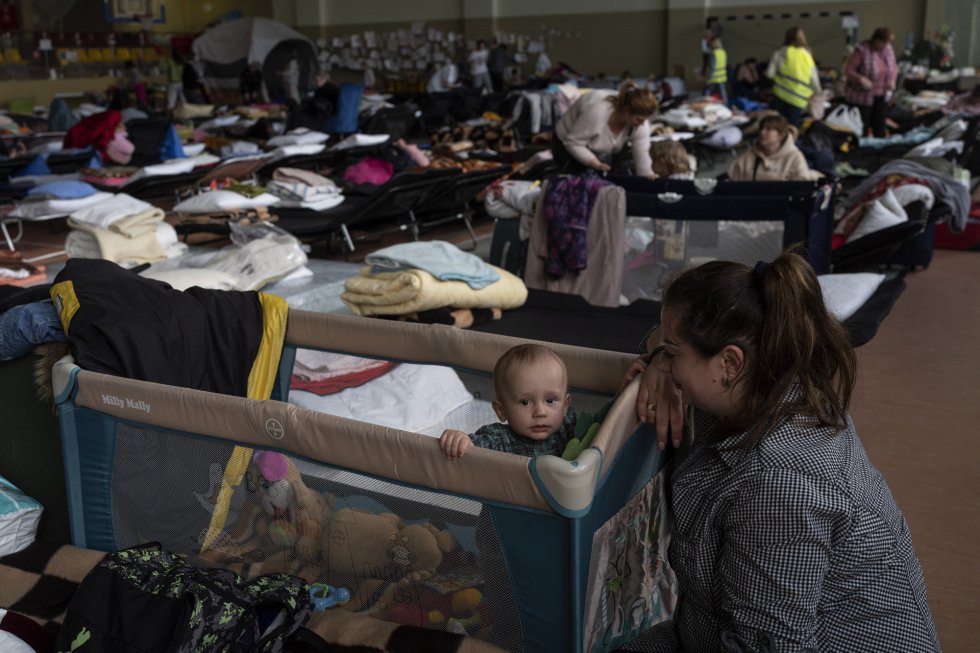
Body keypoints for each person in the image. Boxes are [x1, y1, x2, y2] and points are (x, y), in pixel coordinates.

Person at [625, 251, 940, 651]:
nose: (663, 360)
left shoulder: (779, 484)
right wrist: (658, 359)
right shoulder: (765, 384)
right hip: (705, 626)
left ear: (728, 363)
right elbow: (659, 333)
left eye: (672, 352)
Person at [439, 344, 574, 459]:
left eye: (550, 400)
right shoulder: (501, 439)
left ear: (565, 406)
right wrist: (461, 439)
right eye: (525, 402)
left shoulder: (567, 425)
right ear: (501, 411)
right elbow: (475, 446)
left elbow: (592, 429)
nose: (540, 412)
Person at [553, 80, 659, 178]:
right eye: (639, 120)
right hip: (566, 141)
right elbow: (573, 143)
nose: (642, 124)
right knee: (576, 182)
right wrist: (595, 163)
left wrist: (648, 176)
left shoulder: (641, 124)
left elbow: (642, 153)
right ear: (627, 111)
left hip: (593, 147)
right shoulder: (597, 112)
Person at [728, 113, 821, 181]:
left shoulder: (794, 157)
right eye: (762, 129)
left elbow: (801, 189)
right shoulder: (751, 154)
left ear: (780, 135)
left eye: (768, 129)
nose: (762, 132)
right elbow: (733, 179)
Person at [845, 27, 898, 138]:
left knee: (879, 126)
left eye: (887, 43)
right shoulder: (862, 50)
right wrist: (861, 79)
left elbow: (893, 67)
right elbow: (849, 70)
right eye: (883, 42)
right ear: (876, 40)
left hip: (882, 95)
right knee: (862, 128)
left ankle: (877, 151)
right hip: (862, 97)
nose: (885, 46)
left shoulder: (888, 49)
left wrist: (892, 80)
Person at [766, 27, 821, 126]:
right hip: (799, 99)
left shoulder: (780, 52)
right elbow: (814, 78)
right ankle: (790, 140)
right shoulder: (806, 54)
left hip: (780, 95)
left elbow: (770, 74)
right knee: (792, 126)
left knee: (775, 124)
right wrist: (818, 93)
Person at [705, 36, 728, 104]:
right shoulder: (723, 52)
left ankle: (705, 104)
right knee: (723, 94)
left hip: (714, 77)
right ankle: (726, 106)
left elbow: (712, 67)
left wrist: (710, 78)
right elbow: (726, 63)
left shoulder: (714, 53)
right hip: (722, 76)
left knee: (708, 92)